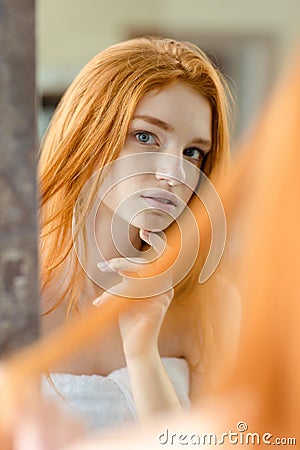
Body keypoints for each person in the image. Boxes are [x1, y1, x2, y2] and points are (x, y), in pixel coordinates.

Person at [38, 36, 240, 430]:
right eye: (146, 136)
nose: (174, 174)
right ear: (89, 135)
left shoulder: (210, 303)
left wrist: (143, 352)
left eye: (192, 152)